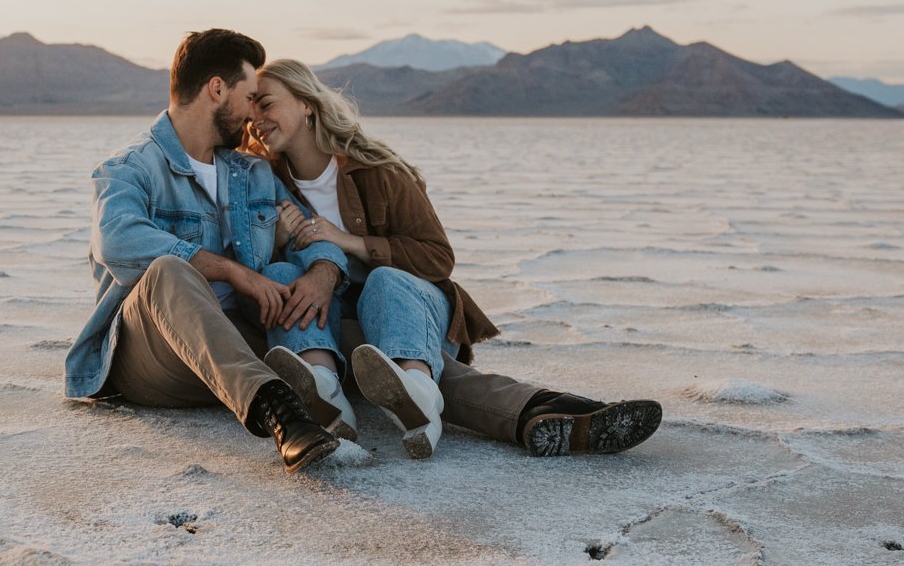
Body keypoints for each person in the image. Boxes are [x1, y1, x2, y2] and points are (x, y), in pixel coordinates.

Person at [245, 57, 664, 459]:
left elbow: (437, 260)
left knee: (385, 281)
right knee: (282, 272)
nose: (256, 121)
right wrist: (278, 239)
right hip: (336, 333)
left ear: (306, 103)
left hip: (408, 312)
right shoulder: (263, 183)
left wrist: (351, 242)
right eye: (249, 114)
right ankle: (332, 391)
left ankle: (417, 390)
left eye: (266, 104)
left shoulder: (378, 169)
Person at [63, 29, 357, 472]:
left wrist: (322, 274)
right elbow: (118, 242)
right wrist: (233, 272)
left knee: (357, 333)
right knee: (168, 270)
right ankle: (280, 411)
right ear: (217, 89)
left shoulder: (253, 172)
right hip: (155, 356)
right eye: (249, 97)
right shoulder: (129, 168)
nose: (253, 114)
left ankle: (485, 410)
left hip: (239, 340)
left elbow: (314, 235)